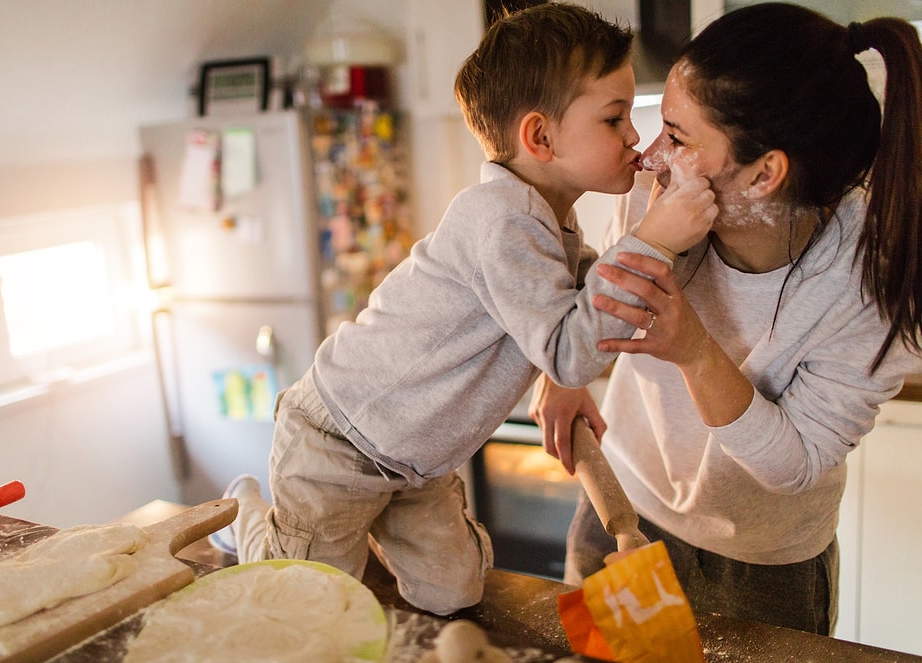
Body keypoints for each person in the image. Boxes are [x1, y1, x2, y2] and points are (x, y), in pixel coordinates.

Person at [207, 2, 716, 616]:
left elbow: (592, 310)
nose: (634, 136)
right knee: (309, 601)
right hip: (339, 444)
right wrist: (655, 237)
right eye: (615, 118)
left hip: (415, 463)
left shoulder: (554, 222)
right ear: (540, 137)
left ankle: (344, 534)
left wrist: (660, 244)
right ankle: (247, 519)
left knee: (453, 594)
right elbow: (568, 352)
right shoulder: (500, 220)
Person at [531, 2, 922, 635]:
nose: (649, 156)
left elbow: (794, 462)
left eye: (679, 138)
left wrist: (693, 348)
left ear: (766, 173)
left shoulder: (872, 279)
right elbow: (598, 289)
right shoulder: (652, 191)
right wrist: (565, 369)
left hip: (761, 568)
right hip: (623, 509)